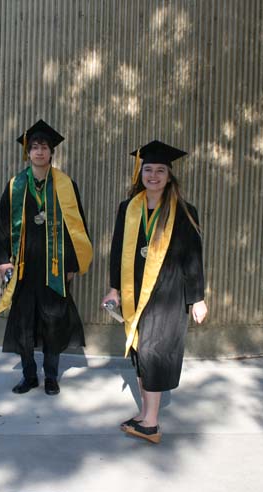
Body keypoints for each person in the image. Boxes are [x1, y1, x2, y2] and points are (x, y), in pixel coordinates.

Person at [101, 140, 207, 444]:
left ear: (170, 176)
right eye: (148, 169)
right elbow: (118, 250)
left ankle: (151, 421)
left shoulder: (185, 211)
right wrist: (113, 290)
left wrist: (197, 297)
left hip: (169, 294)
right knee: (139, 350)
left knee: (155, 352)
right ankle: (145, 412)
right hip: (136, 293)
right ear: (140, 173)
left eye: (161, 170)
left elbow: (193, 257)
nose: (154, 175)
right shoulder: (129, 208)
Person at [0, 119, 92, 396]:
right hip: (24, 268)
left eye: (44, 147)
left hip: (55, 268)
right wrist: (3, 260)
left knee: (53, 322)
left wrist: (71, 265)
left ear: (51, 152)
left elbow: (77, 226)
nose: (39, 151)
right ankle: (28, 374)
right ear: (28, 152)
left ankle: (50, 375)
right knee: (23, 324)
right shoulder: (15, 185)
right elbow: (2, 224)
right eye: (34, 147)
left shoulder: (65, 185)